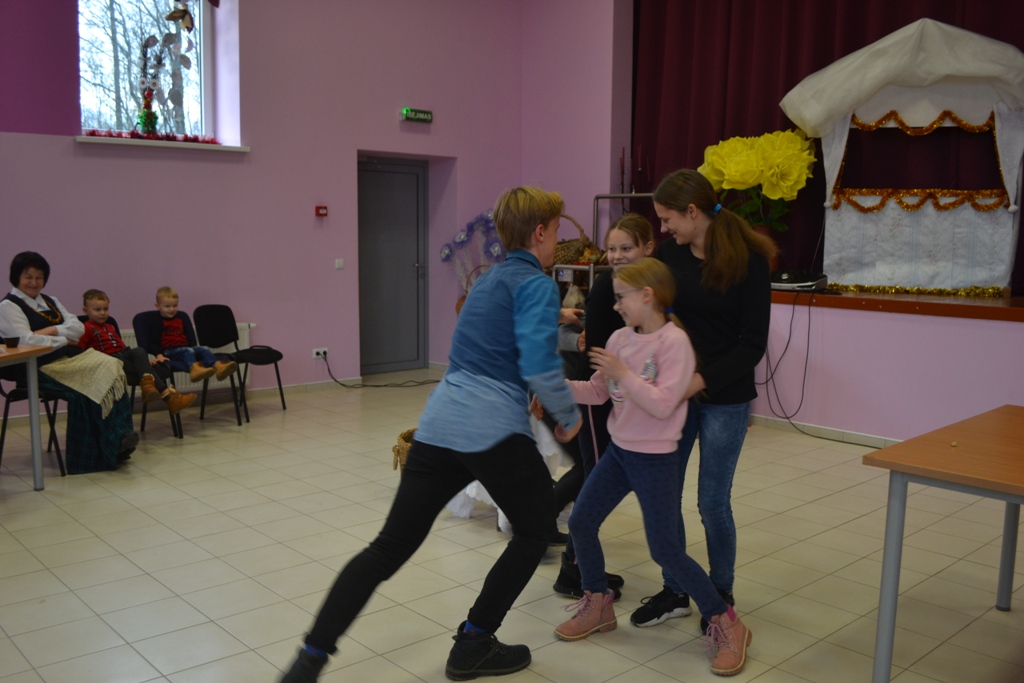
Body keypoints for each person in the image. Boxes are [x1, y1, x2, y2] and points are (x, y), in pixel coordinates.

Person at [279, 186, 582, 683]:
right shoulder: (537, 284)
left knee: (388, 547)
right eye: (556, 232)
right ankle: (474, 642)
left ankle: (309, 658)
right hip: (492, 431)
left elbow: (496, 338)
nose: (557, 241)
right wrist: (566, 411)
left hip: (439, 426)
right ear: (541, 232)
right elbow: (537, 357)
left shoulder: (485, 281)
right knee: (534, 529)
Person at [551, 258, 751, 676]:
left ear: (648, 296)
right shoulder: (620, 338)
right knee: (583, 522)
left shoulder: (675, 344)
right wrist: (556, 388)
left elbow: (663, 404)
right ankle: (597, 602)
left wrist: (622, 373)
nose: (616, 305)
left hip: (656, 459)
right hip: (620, 453)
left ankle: (726, 621)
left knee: (665, 550)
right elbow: (598, 392)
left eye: (622, 297)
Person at [631, 168, 775, 634]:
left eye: (668, 218)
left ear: (692, 212)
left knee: (712, 502)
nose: (664, 228)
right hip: (675, 396)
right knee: (665, 495)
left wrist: (699, 381)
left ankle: (720, 593)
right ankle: (676, 589)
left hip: (724, 399)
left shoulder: (749, 259)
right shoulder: (669, 255)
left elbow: (752, 345)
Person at [552, 213, 654, 600]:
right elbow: (597, 354)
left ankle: (579, 562)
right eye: (611, 248)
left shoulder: (649, 284)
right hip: (599, 398)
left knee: (597, 478)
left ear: (648, 248)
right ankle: (573, 567)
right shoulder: (606, 286)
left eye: (626, 248)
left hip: (622, 397)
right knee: (595, 479)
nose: (616, 255)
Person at [0, 252, 138, 472]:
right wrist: (64, 339)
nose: (34, 282)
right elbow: (26, 341)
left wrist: (51, 330)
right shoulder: (8, 306)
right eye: (28, 277)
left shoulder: (51, 301)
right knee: (88, 386)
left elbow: (78, 328)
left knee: (112, 366)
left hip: (66, 359)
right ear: (16, 277)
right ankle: (109, 443)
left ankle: (120, 439)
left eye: (39, 277)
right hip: (36, 368)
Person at [79, 289, 197, 414]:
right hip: (108, 360)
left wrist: (143, 362)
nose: (103, 313)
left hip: (122, 354)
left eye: (105, 309)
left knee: (140, 351)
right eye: (97, 310)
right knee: (148, 369)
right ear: (86, 311)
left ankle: (149, 386)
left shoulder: (109, 326)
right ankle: (168, 396)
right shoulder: (85, 328)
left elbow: (121, 345)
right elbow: (81, 351)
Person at [136, 286, 236, 382]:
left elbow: (190, 338)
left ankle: (218, 366)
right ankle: (194, 369)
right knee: (187, 350)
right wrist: (159, 355)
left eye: (175, 305)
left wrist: (195, 349)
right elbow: (154, 342)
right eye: (167, 306)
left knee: (203, 348)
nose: (172, 309)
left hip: (185, 349)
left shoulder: (181, 318)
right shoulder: (157, 322)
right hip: (169, 351)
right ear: (158, 306)